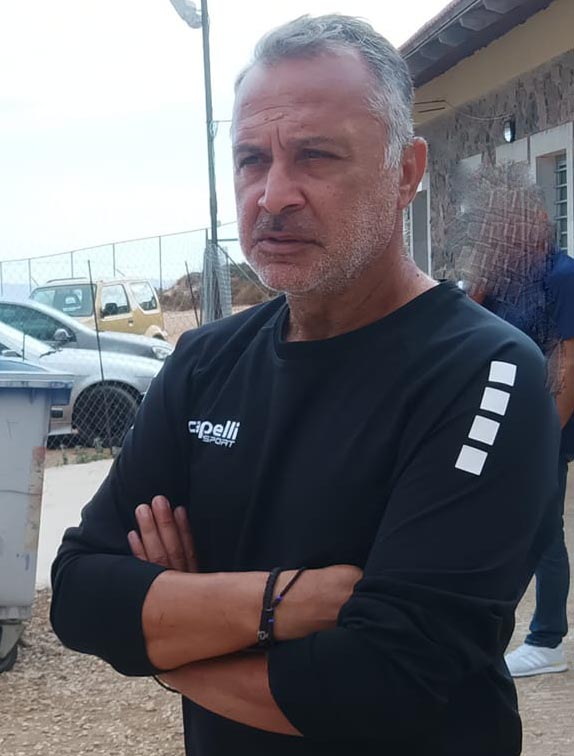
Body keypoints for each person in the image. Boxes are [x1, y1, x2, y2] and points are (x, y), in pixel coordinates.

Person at [51, 15, 561, 756]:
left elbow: (386, 679)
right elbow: (78, 593)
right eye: (251, 159)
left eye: (315, 155)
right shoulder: (204, 362)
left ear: (406, 172)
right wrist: (281, 603)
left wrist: (170, 635)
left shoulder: (484, 372)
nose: (273, 194)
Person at [455, 162, 574, 677]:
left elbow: (569, 360)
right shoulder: (506, 277)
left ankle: (547, 639)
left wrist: (546, 434)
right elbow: (461, 325)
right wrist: (480, 282)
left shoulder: (562, 276)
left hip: (544, 425)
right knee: (492, 521)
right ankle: (479, 625)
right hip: (497, 418)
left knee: (542, 528)